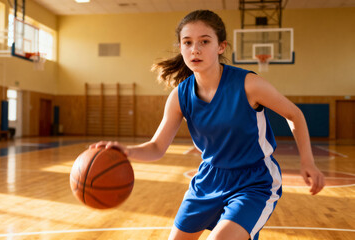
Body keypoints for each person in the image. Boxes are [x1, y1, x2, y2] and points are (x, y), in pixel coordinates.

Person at [89, 10, 325, 240]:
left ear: (220, 46)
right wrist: (127, 152)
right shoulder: (180, 96)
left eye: (204, 41)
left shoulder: (249, 84)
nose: (195, 49)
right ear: (181, 47)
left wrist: (308, 162)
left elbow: (294, 115)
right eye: (188, 42)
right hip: (208, 181)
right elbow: (157, 147)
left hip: (254, 181)